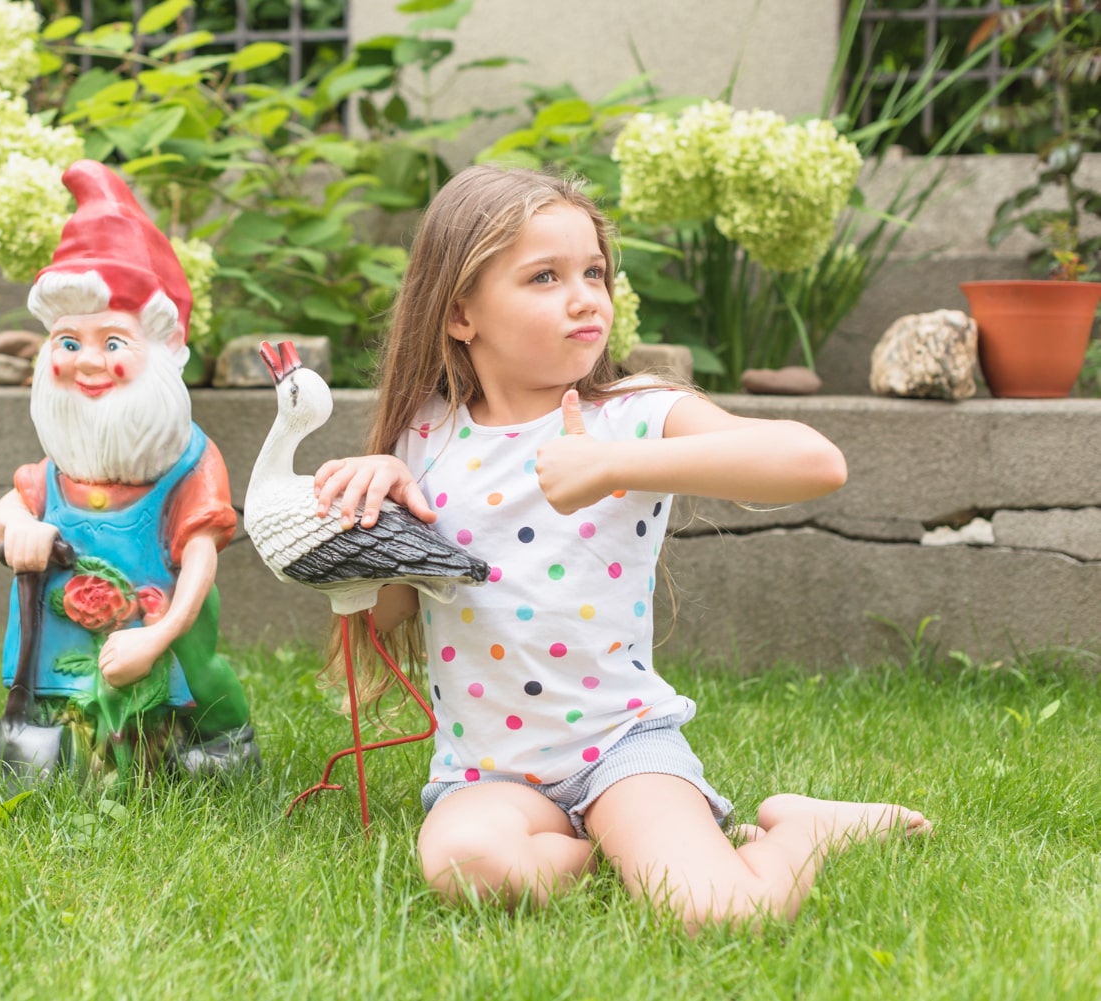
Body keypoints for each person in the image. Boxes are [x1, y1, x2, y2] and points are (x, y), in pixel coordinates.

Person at [311, 164, 928, 929]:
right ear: (461, 312)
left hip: (620, 750)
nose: (584, 297)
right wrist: (374, 516)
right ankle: (636, 852)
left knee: (720, 915)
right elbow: (394, 612)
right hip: (489, 773)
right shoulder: (427, 434)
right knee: (466, 866)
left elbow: (814, 461)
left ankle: (799, 826)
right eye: (545, 276)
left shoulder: (632, 414)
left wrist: (614, 465)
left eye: (594, 272)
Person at [0, 160, 259, 777]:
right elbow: (1, 519)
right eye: (68, 343)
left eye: (112, 343)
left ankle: (219, 744)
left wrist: (155, 639)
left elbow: (199, 569)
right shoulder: (61, 462)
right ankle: (70, 752)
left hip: (160, 633)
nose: (87, 363)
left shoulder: (186, 462)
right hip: (60, 649)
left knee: (192, 681)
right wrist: (13, 531)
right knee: (72, 720)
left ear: (162, 351)